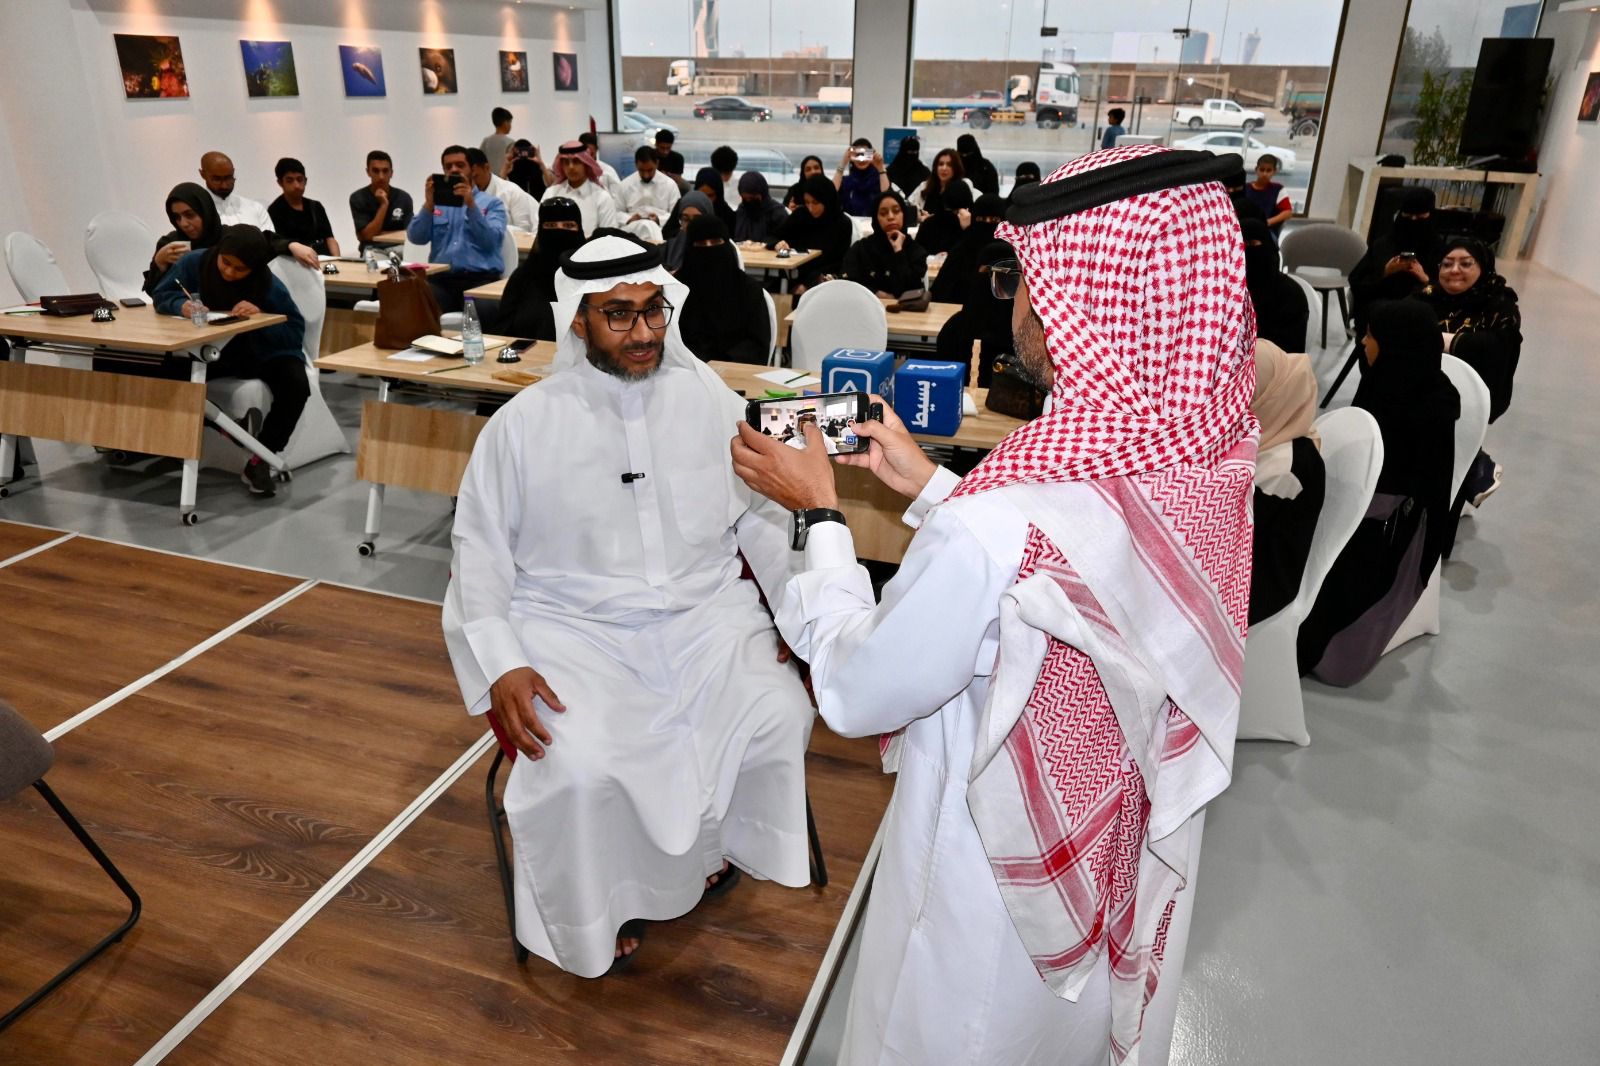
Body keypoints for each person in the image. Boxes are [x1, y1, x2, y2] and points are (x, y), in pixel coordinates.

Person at [728, 144, 1256, 1066]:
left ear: (1078, 302)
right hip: (1106, 852)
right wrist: (933, 486)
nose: (1016, 300)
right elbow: (1061, 579)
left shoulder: (999, 525)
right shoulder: (1202, 466)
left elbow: (856, 688)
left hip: (990, 886)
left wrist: (818, 513)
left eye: (1025, 276)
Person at [442, 234, 815, 977]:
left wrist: (794, 613)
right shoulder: (522, 426)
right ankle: (603, 904)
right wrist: (504, 663)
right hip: (570, 629)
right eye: (619, 316)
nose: (643, 332)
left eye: (653, 311)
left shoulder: (708, 398)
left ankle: (706, 854)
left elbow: (763, 516)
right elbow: (477, 555)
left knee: (777, 711)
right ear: (577, 320)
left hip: (706, 615)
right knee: (581, 764)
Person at [1298, 298, 1460, 684]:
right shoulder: (1388, 380)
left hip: (1391, 529)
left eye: (1371, 336)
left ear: (1395, 345)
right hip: (1367, 504)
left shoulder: (1429, 406)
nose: (1363, 343)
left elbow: (1406, 487)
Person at [150, 226, 310, 498]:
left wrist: (260, 316)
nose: (229, 272)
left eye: (240, 269)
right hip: (208, 351)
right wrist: (180, 305)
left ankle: (261, 457)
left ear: (254, 268)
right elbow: (162, 295)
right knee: (160, 374)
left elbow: (294, 330)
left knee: (296, 384)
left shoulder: (267, 283)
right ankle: (194, 437)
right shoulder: (195, 263)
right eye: (225, 262)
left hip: (259, 351)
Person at [1424, 237, 1520, 506]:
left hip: (1472, 393)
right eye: (1447, 264)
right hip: (1425, 386)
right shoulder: (1428, 294)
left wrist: (1447, 341)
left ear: (1483, 268)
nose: (1454, 270)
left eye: (1466, 264)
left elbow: (1499, 348)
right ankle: (1476, 467)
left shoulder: (1499, 304)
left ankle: (1473, 468)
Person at [1248, 340, 1325, 624]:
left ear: (1269, 396)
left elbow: (1234, 534)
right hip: (1245, 558)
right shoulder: (1279, 427)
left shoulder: (1283, 469)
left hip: (1260, 584)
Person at [145, 182, 313, 295]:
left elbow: (264, 240)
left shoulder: (228, 236)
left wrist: (292, 245)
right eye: (177, 217)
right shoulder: (170, 245)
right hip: (183, 316)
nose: (184, 223)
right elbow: (156, 294)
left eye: (190, 215)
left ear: (205, 211)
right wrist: (159, 263)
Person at [406, 144, 508, 313]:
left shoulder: (492, 204)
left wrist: (471, 205)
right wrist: (429, 204)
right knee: (414, 300)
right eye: (448, 166)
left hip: (479, 280)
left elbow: (491, 242)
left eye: (460, 165)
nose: (454, 169)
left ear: (472, 170)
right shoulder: (437, 204)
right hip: (442, 280)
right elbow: (416, 237)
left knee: (483, 309)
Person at [932, 196, 1010, 385]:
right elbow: (940, 292)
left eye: (994, 220)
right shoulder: (960, 252)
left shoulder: (1013, 255)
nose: (988, 226)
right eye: (982, 220)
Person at [1348, 187, 1443, 336]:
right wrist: (1384, 272)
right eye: (1408, 216)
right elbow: (1357, 283)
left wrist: (1425, 278)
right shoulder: (1383, 245)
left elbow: (1446, 293)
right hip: (1378, 312)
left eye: (1420, 217)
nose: (1413, 222)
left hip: (1420, 316)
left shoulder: (1439, 250)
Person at [677, 216, 770, 364]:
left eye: (716, 242)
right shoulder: (677, 290)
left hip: (735, 369)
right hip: (686, 368)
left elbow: (757, 344)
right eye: (701, 244)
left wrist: (724, 363)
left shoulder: (748, 290)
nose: (709, 249)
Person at [489, 196, 584, 342]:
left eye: (568, 225)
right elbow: (502, 331)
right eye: (551, 226)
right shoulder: (522, 278)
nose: (559, 232)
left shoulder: (591, 279)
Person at [767, 175, 853, 296]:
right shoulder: (800, 215)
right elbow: (771, 237)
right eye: (807, 202)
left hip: (825, 277)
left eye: (815, 202)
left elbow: (839, 261)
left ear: (827, 200)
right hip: (794, 273)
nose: (811, 208)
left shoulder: (842, 223)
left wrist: (808, 283)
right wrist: (778, 243)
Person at [841, 190, 928, 298]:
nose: (890, 217)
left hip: (905, 308)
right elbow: (848, 282)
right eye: (883, 213)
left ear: (904, 215)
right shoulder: (861, 249)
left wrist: (898, 251)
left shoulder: (915, 251)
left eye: (896, 211)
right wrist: (875, 293)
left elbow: (913, 289)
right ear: (876, 218)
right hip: (867, 305)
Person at [1242, 217, 1309, 353]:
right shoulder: (1220, 290)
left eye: (1251, 244)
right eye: (1239, 246)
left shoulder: (1290, 295)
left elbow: (1287, 354)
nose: (1245, 251)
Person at [267, 157, 339, 257]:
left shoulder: (316, 206)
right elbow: (279, 245)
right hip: (295, 262)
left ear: (306, 181)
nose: (296, 185)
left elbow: (330, 238)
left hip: (324, 259)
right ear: (280, 182)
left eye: (300, 179)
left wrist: (337, 261)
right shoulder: (275, 211)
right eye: (290, 180)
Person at [550, 140, 620, 235]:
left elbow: (609, 237)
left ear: (586, 164)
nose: (571, 167)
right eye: (566, 162)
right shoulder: (551, 194)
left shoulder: (602, 198)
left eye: (576, 161)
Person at [349, 150, 416, 251]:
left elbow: (410, 234)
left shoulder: (403, 197)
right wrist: (384, 205)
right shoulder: (358, 197)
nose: (381, 177)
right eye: (376, 171)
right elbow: (367, 236)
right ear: (368, 172)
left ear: (391, 173)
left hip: (401, 248)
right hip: (373, 249)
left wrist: (379, 234)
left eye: (385, 171)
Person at [612, 145, 680, 242]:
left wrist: (659, 219)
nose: (646, 175)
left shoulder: (670, 185)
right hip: (632, 231)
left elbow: (677, 215)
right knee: (644, 226)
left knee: (649, 227)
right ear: (636, 165)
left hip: (662, 230)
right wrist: (629, 219)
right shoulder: (624, 185)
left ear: (657, 164)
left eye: (650, 170)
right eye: (642, 170)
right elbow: (615, 212)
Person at [467, 146, 538, 232]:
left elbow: (523, 231)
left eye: (475, 177)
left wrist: (490, 228)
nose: (472, 183)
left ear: (487, 168)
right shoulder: (462, 195)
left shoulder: (511, 192)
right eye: (467, 178)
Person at [199, 151, 272, 230]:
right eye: (217, 179)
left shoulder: (256, 208)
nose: (224, 185)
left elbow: (270, 237)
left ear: (233, 172)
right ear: (203, 174)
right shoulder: (197, 212)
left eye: (228, 178)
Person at [913, 178, 973, 257]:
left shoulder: (973, 226)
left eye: (958, 211)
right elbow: (917, 254)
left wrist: (968, 229)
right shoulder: (930, 224)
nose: (956, 214)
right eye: (950, 209)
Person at [908, 148, 976, 216]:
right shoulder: (925, 185)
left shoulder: (963, 186)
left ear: (956, 168)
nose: (944, 168)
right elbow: (910, 205)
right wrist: (920, 214)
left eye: (949, 165)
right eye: (941, 164)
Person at [833, 138, 889, 217]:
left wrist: (880, 168)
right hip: (851, 223)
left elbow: (887, 194)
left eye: (865, 154)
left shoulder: (879, 179)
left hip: (874, 222)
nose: (861, 160)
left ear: (871, 155)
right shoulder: (846, 181)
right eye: (857, 155)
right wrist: (843, 162)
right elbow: (832, 192)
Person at [1241, 154, 1292, 239]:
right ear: (1256, 170)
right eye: (1262, 170)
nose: (1264, 174)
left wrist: (1268, 222)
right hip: (1245, 229)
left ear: (1274, 171)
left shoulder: (1278, 189)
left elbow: (1288, 212)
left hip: (1267, 231)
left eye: (1269, 170)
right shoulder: (1245, 188)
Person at [661, 190, 712, 272]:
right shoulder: (672, 246)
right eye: (686, 219)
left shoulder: (718, 248)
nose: (691, 226)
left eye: (697, 219)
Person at [731, 171, 788, 244]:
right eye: (745, 199)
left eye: (752, 198)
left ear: (762, 194)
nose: (748, 201)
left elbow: (782, 241)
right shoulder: (742, 210)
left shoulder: (778, 213)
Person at [690, 166, 739, 232]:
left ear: (718, 195)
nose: (705, 200)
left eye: (710, 196)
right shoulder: (688, 211)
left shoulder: (729, 218)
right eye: (702, 195)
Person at [481, 107, 515, 173]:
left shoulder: (486, 141)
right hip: (503, 177)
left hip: (489, 177)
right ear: (505, 123)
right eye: (510, 122)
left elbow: (480, 160)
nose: (510, 126)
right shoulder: (510, 142)